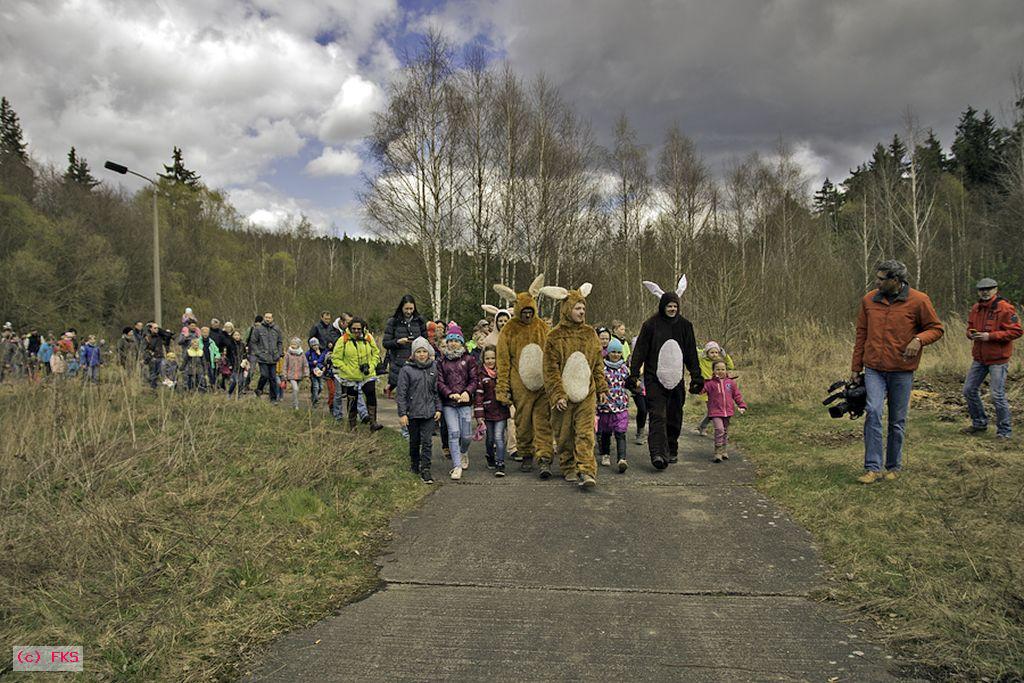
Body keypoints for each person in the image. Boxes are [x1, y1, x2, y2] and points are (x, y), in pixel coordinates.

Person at [851, 259, 944, 483]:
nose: (877, 282)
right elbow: (861, 334)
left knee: (896, 420)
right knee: (873, 411)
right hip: (874, 368)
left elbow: (936, 328)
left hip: (902, 370)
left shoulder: (919, 301)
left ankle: (893, 467)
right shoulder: (869, 300)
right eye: (877, 278)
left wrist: (919, 339)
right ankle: (872, 468)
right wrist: (856, 367)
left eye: (882, 279)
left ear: (896, 281)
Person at [629, 275, 703, 470]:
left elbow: (690, 352)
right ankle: (658, 454)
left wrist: (696, 376)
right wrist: (634, 373)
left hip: (676, 380)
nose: (672, 309)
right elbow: (640, 351)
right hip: (654, 379)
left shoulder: (685, 326)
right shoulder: (651, 325)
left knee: (674, 416)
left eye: (675, 306)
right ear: (662, 306)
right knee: (657, 415)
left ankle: (672, 448)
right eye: (669, 306)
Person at [539, 281, 608, 489]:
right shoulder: (554, 336)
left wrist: (602, 387)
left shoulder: (590, 334)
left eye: (584, 308)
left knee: (585, 432)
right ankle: (568, 466)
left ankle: (586, 470)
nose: (582, 311)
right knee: (564, 434)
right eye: (578, 308)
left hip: (587, 393)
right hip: (563, 396)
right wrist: (557, 394)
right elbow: (550, 369)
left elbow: (597, 363)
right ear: (568, 309)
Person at [494, 275, 554, 474]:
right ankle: (526, 454)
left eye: (530, 312)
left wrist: (555, 383)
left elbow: (552, 356)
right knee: (523, 421)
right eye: (524, 312)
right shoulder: (509, 330)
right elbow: (502, 361)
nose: (528, 316)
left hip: (542, 384)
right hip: (520, 383)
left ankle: (544, 457)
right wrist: (502, 388)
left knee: (543, 421)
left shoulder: (543, 328)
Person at [960, 277, 1021, 441]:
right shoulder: (976, 308)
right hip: (979, 358)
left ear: (996, 290)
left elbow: (1017, 331)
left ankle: (1004, 432)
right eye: (982, 289)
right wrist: (970, 333)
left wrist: (990, 336)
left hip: (998, 360)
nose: (985, 292)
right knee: (968, 390)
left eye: (989, 289)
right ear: (978, 291)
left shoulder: (1006, 309)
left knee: (997, 395)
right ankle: (979, 423)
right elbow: (969, 328)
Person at [396, 337, 442, 484]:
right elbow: (401, 394)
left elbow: (436, 391)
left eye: (424, 351)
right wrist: (402, 413)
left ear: (428, 353)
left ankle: (426, 468)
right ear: (413, 354)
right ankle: (414, 464)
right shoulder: (407, 370)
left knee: (427, 441)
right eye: (418, 352)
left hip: (429, 412)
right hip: (413, 412)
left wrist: (438, 408)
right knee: (415, 441)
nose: (422, 354)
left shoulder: (433, 368)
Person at [438, 323, 478, 479]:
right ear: (447, 342)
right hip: (449, 404)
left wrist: (468, 392)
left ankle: (463, 452)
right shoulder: (441, 362)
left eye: (456, 340)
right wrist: (449, 394)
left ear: (461, 342)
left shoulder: (469, 359)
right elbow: (440, 382)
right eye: (450, 340)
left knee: (466, 435)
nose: (453, 343)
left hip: (465, 403)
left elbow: (474, 379)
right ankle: (456, 466)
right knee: (454, 433)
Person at [332, 317, 383, 431]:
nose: (356, 331)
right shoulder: (343, 340)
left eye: (358, 329)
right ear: (349, 328)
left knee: (371, 394)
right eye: (353, 329)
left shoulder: (368, 337)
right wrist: (346, 369)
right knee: (352, 400)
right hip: (350, 376)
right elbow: (336, 358)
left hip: (367, 374)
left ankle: (373, 423)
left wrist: (372, 365)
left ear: (363, 328)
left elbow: (376, 353)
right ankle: (352, 426)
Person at [701, 359, 747, 463]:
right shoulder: (710, 384)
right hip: (715, 411)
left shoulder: (730, 383)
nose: (720, 371)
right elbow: (701, 390)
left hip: (727, 411)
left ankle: (724, 449)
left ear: (726, 370)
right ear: (713, 371)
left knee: (725, 431)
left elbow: (737, 395)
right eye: (717, 369)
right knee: (719, 429)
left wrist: (741, 405)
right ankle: (717, 451)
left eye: (723, 369)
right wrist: (698, 384)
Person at [474, 345, 511, 477]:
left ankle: (500, 463)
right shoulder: (481, 375)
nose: (490, 361)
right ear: (483, 359)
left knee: (498, 437)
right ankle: (490, 456)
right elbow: (478, 397)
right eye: (487, 358)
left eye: (493, 358)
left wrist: (507, 400)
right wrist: (479, 415)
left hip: (501, 411)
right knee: (490, 439)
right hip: (487, 412)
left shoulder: (503, 373)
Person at [598, 337, 630, 473]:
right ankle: (605, 453)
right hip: (605, 406)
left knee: (620, 432)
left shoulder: (624, 369)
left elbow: (630, 383)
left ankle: (622, 458)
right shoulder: (602, 369)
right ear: (608, 353)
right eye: (613, 352)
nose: (616, 354)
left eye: (618, 352)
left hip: (621, 406)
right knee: (605, 432)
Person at [382, 294, 426, 392]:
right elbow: (385, 343)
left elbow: (426, 342)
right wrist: (397, 342)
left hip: (416, 362)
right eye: (406, 309)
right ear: (401, 307)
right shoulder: (393, 322)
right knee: (402, 396)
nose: (409, 311)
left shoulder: (420, 321)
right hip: (398, 364)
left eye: (411, 309)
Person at [696, 341, 736, 436]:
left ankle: (704, 426)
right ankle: (716, 430)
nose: (714, 355)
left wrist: (725, 356)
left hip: (717, 388)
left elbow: (731, 366)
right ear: (707, 353)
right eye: (712, 352)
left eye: (716, 352)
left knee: (713, 410)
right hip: (706, 388)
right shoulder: (702, 360)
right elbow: (696, 351)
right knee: (713, 410)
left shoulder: (719, 362)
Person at [250, 312, 284, 403]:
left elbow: (280, 342)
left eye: (269, 317)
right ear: (264, 318)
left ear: (272, 319)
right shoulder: (258, 329)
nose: (268, 319)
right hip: (262, 357)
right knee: (264, 375)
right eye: (266, 317)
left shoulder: (276, 329)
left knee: (273, 378)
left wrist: (279, 353)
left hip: (273, 357)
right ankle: (259, 389)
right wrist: (258, 353)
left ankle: (273, 398)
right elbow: (253, 342)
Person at [142, 323, 174, 388]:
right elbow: (145, 349)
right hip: (152, 358)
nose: (157, 329)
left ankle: (168, 387)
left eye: (157, 328)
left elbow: (168, 339)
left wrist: (161, 331)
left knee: (164, 372)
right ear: (150, 329)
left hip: (161, 357)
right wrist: (148, 357)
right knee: (153, 374)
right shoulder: (147, 337)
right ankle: (153, 389)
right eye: (155, 328)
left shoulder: (160, 336)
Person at [282, 337, 310, 409]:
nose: (293, 345)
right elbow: (285, 365)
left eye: (295, 344)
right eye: (292, 344)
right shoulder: (288, 354)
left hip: (300, 375)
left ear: (298, 345)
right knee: (295, 389)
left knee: (297, 391)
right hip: (291, 375)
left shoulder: (302, 354)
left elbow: (305, 365)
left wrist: (306, 375)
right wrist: (284, 375)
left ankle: (294, 403)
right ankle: (296, 405)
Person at [306, 338, 329, 407]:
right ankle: (315, 401)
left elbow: (322, 361)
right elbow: (306, 363)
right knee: (316, 386)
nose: (315, 346)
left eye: (317, 345)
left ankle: (314, 396)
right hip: (313, 372)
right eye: (314, 345)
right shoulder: (308, 353)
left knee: (321, 387)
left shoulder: (321, 352)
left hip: (320, 372)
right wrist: (312, 363)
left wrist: (319, 356)